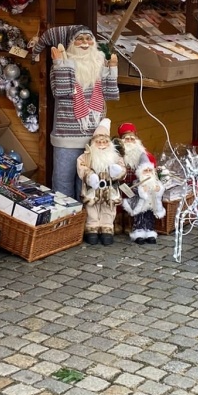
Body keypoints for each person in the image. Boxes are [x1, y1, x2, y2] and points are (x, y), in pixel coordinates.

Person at [30, 25, 119, 198]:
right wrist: (60, 63)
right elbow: (61, 92)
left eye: (88, 38)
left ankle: (83, 219)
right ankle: (66, 218)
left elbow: (110, 93)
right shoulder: (62, 65)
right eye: (80, 39)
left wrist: (112, 69)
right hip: (66, 136)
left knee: (86, 181)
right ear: (71, 43)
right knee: (62, 179)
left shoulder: (100, 64)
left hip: (93, 137)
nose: (85, 42)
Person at [76, 118, 125, 246]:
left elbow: (122, 168)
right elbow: (81, 166)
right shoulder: (86, 156)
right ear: (93, 143)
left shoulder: (115, 156)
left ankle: (107, 228)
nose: (102, 145)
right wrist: (89, 175)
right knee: (92, 208)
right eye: (99, 142)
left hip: (109, 189)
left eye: (104, 142)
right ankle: (92, 228)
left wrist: (117, 172)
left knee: (108, 208)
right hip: (93, 188)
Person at [122, 161, 166, 245]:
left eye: (150, 171)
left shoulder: (155, 182)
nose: (148, 173)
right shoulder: (137, 182)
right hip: (140, 206)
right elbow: (132, 191)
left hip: (150, 206)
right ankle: (138, 233)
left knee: (149, 218)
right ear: (140, 172)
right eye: (146, 171)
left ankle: (149, 232)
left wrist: (158, 189)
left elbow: (160, 190)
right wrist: (141, 190)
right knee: (139, 219)